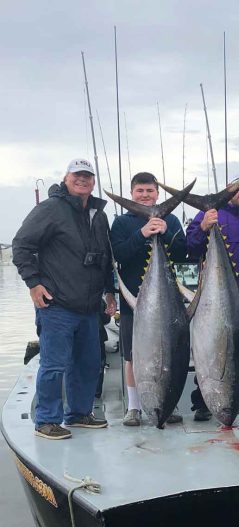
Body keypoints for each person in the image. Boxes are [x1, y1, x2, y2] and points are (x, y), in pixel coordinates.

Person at [12, 158, 117, 440]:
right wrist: (33, 285)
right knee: (54, 365)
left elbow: (105, 257)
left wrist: (109, 291)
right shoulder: (50, 209)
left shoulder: (99, 213)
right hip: (56, 305)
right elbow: (21, 245)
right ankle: (47, 419)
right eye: (77, 175)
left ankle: (79, 413)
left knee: (89, 364)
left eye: (87, 176)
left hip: (89, 307)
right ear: (66, 178)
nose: (82, 180)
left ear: (93, 181)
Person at [110, 172, 188, 426]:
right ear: (132, 193)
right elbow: (119, 253)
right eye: (140, 191)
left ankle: (168, 401)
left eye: (150, 191)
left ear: (158, 193)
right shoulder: (122, 223)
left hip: (168, 301)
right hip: (134, 300)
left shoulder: (172, 219)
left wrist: (165, 233)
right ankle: (133, 407)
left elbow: (183, 254)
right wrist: (143, 233)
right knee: (134, 355)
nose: (145, 195)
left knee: (171, 351)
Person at [186, 174, 239, 420]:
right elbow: (190, 247)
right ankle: (203, 402)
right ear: (229, 190)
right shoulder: (209, 214)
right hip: (214, 302)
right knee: (210, 349)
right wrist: (202, 227)